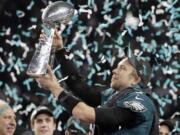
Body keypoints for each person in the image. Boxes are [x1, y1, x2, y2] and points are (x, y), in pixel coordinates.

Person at [28, 31, 159, 135]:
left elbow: (85, 114)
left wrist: (54, 87)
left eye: (122, 68)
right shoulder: (114, 96)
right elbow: (78, 85)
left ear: (136, 79)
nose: (114, 70)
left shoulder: (140, 101)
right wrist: (60, 51)